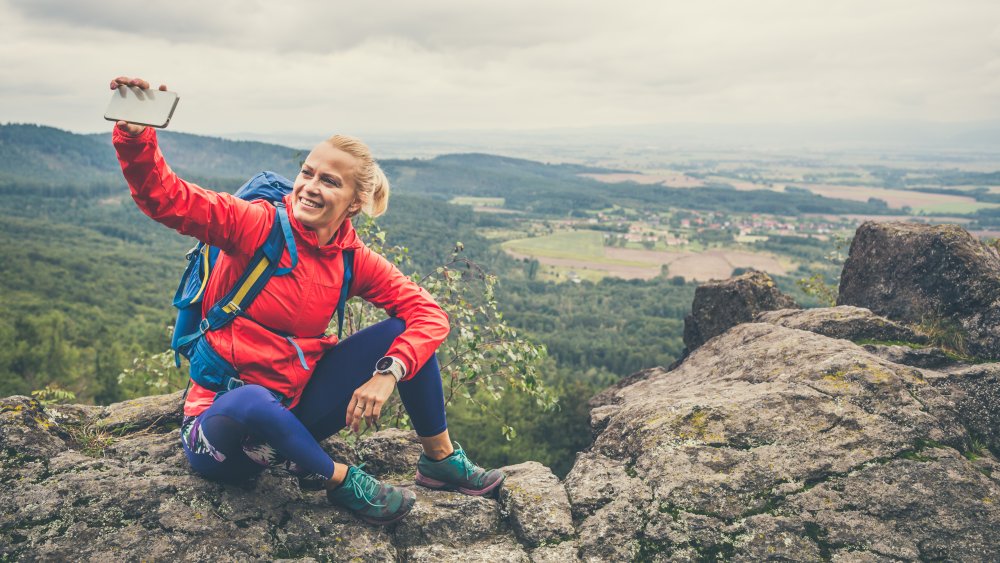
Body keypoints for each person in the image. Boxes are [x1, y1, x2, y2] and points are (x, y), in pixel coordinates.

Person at [109, 76, 505, 525]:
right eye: (307, 173)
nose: (310, 186)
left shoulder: (352, 259)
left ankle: (440, 460)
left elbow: (429, 315)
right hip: (222, 431)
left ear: (354, 203)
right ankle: (339, 479)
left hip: (295, 416)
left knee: (406, 336)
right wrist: (137, 138)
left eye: (329, 181)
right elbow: (168, 199)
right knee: (252, 398)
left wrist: (388, 373)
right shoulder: (255, 226)